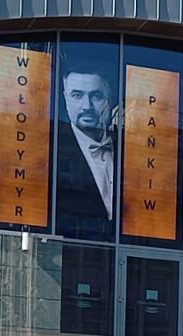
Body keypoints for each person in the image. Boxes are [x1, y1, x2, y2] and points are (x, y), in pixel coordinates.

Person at [56, 62, 117, 239]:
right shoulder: (52, 152)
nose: (87, 106)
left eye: (96, 96)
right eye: (77, 95)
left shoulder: (130, 151)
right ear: (66, 98)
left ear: (109, 99)